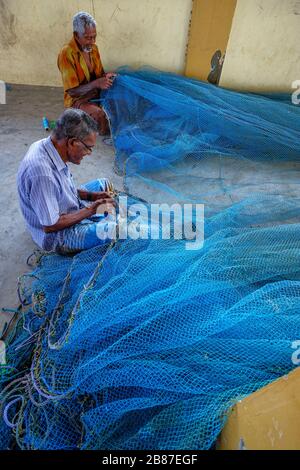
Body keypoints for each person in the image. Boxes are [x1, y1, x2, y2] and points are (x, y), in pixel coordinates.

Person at [17, 109, 117, 254]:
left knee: (104, 184)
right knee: (113, 230)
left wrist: (92, 197)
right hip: (56, 235)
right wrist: (91, 209)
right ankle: (101, 223)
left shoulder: (48, 146)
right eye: (88, 148)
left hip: (62, 208)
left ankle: (99, 220)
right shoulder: (41, 174)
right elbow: (50, 225)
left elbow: (60, 189)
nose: (89, 153)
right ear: (72, 142)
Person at [57, 11, 116, 135]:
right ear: (76, 35)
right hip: (78, 100)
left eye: (94, 36)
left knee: (122, 99)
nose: (92, 41)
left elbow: (99, 76)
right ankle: (104, 134)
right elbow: (72, 91)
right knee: (100, 115)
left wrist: (106, 77)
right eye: (88, 37)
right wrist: (97, 83)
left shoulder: (94, 49)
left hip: (95, 93)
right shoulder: (66, 53)